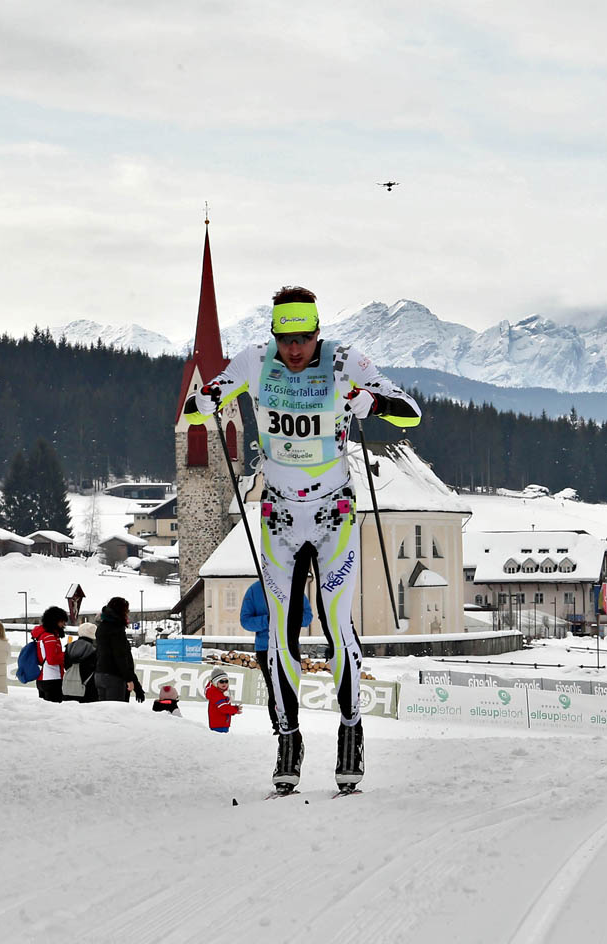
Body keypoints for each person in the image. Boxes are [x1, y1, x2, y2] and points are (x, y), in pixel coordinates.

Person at [185, 285, 421, 793]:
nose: (295, 350)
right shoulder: (254, 361)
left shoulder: (343, 362)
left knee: (337, 629)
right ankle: (287, 739)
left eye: (304, 338)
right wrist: (208, 398)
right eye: (285, 339)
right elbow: (196, 408)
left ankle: (350, 734)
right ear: (274, 334)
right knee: (279, 636)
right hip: (279, 518)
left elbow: (410, 412)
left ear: (318, 332)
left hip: (334, 515)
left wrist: (367, 400)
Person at [240, 580, 312, 735]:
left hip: (289, 645)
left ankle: (292, 723)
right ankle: (278, 725)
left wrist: (289, 619)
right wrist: (267, 620)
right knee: (274, 688)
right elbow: (245, 621)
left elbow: (308, 617)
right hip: (266, 647)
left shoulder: (292, 586)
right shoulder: (255, 590)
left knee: (290, 687)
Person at [95, 597, 145, 703]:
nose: (128, 613)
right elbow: (121, 658)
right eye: (127, 610)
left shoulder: (102, 627)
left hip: (100, 675)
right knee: (115, 715)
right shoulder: (116, 630)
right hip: (114, 677)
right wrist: (130, 680)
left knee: (103, 714)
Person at [32, 606, 68, 703]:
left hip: (43, 679)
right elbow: (51, 660)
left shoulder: (41, 635)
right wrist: (67, 654)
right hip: (52, 679)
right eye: (62, 621)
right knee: (54, 712)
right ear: (54, 621)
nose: (64, 624)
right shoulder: (50, 637)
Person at [62, 621, 99, 703]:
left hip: (69, 686)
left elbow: (66, 665)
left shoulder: (69, 647)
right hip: (88, 688)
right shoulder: (95, 649)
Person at [205, 668, 242, 732]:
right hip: (219, 725)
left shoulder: (221, 692)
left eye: (226, 681)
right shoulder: (216, 694)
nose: (224, 683)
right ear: (215, 683)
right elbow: (224, 708)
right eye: (221, 681)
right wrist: (235, 709)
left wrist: (233, 711)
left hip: (222, 724)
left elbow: (224, 708)